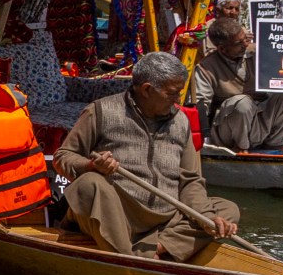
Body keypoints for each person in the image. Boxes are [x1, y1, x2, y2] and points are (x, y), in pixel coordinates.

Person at [54, 50, 241, 260]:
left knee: (226, 210)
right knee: (89, 184)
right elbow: (63, 156)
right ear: (147, 90)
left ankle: (156, 249)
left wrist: (207, 217)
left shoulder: (181, 122)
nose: (178, 99)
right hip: (115, 214)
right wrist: (91, 166)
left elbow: (190, 181)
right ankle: (129, 259)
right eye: (172, 93)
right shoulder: (101, 111)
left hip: (165, 219)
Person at [188, 17, 283, 151]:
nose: (245, 45)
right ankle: (241, 148)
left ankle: (275, 142)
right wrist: (199, 138)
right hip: (229, 129)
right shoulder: (206, 67)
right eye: (238, 43)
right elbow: (201, 104)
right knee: (243, 103)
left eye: (245, 39)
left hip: (258, 121)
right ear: (222, 48)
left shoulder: (258, 51)